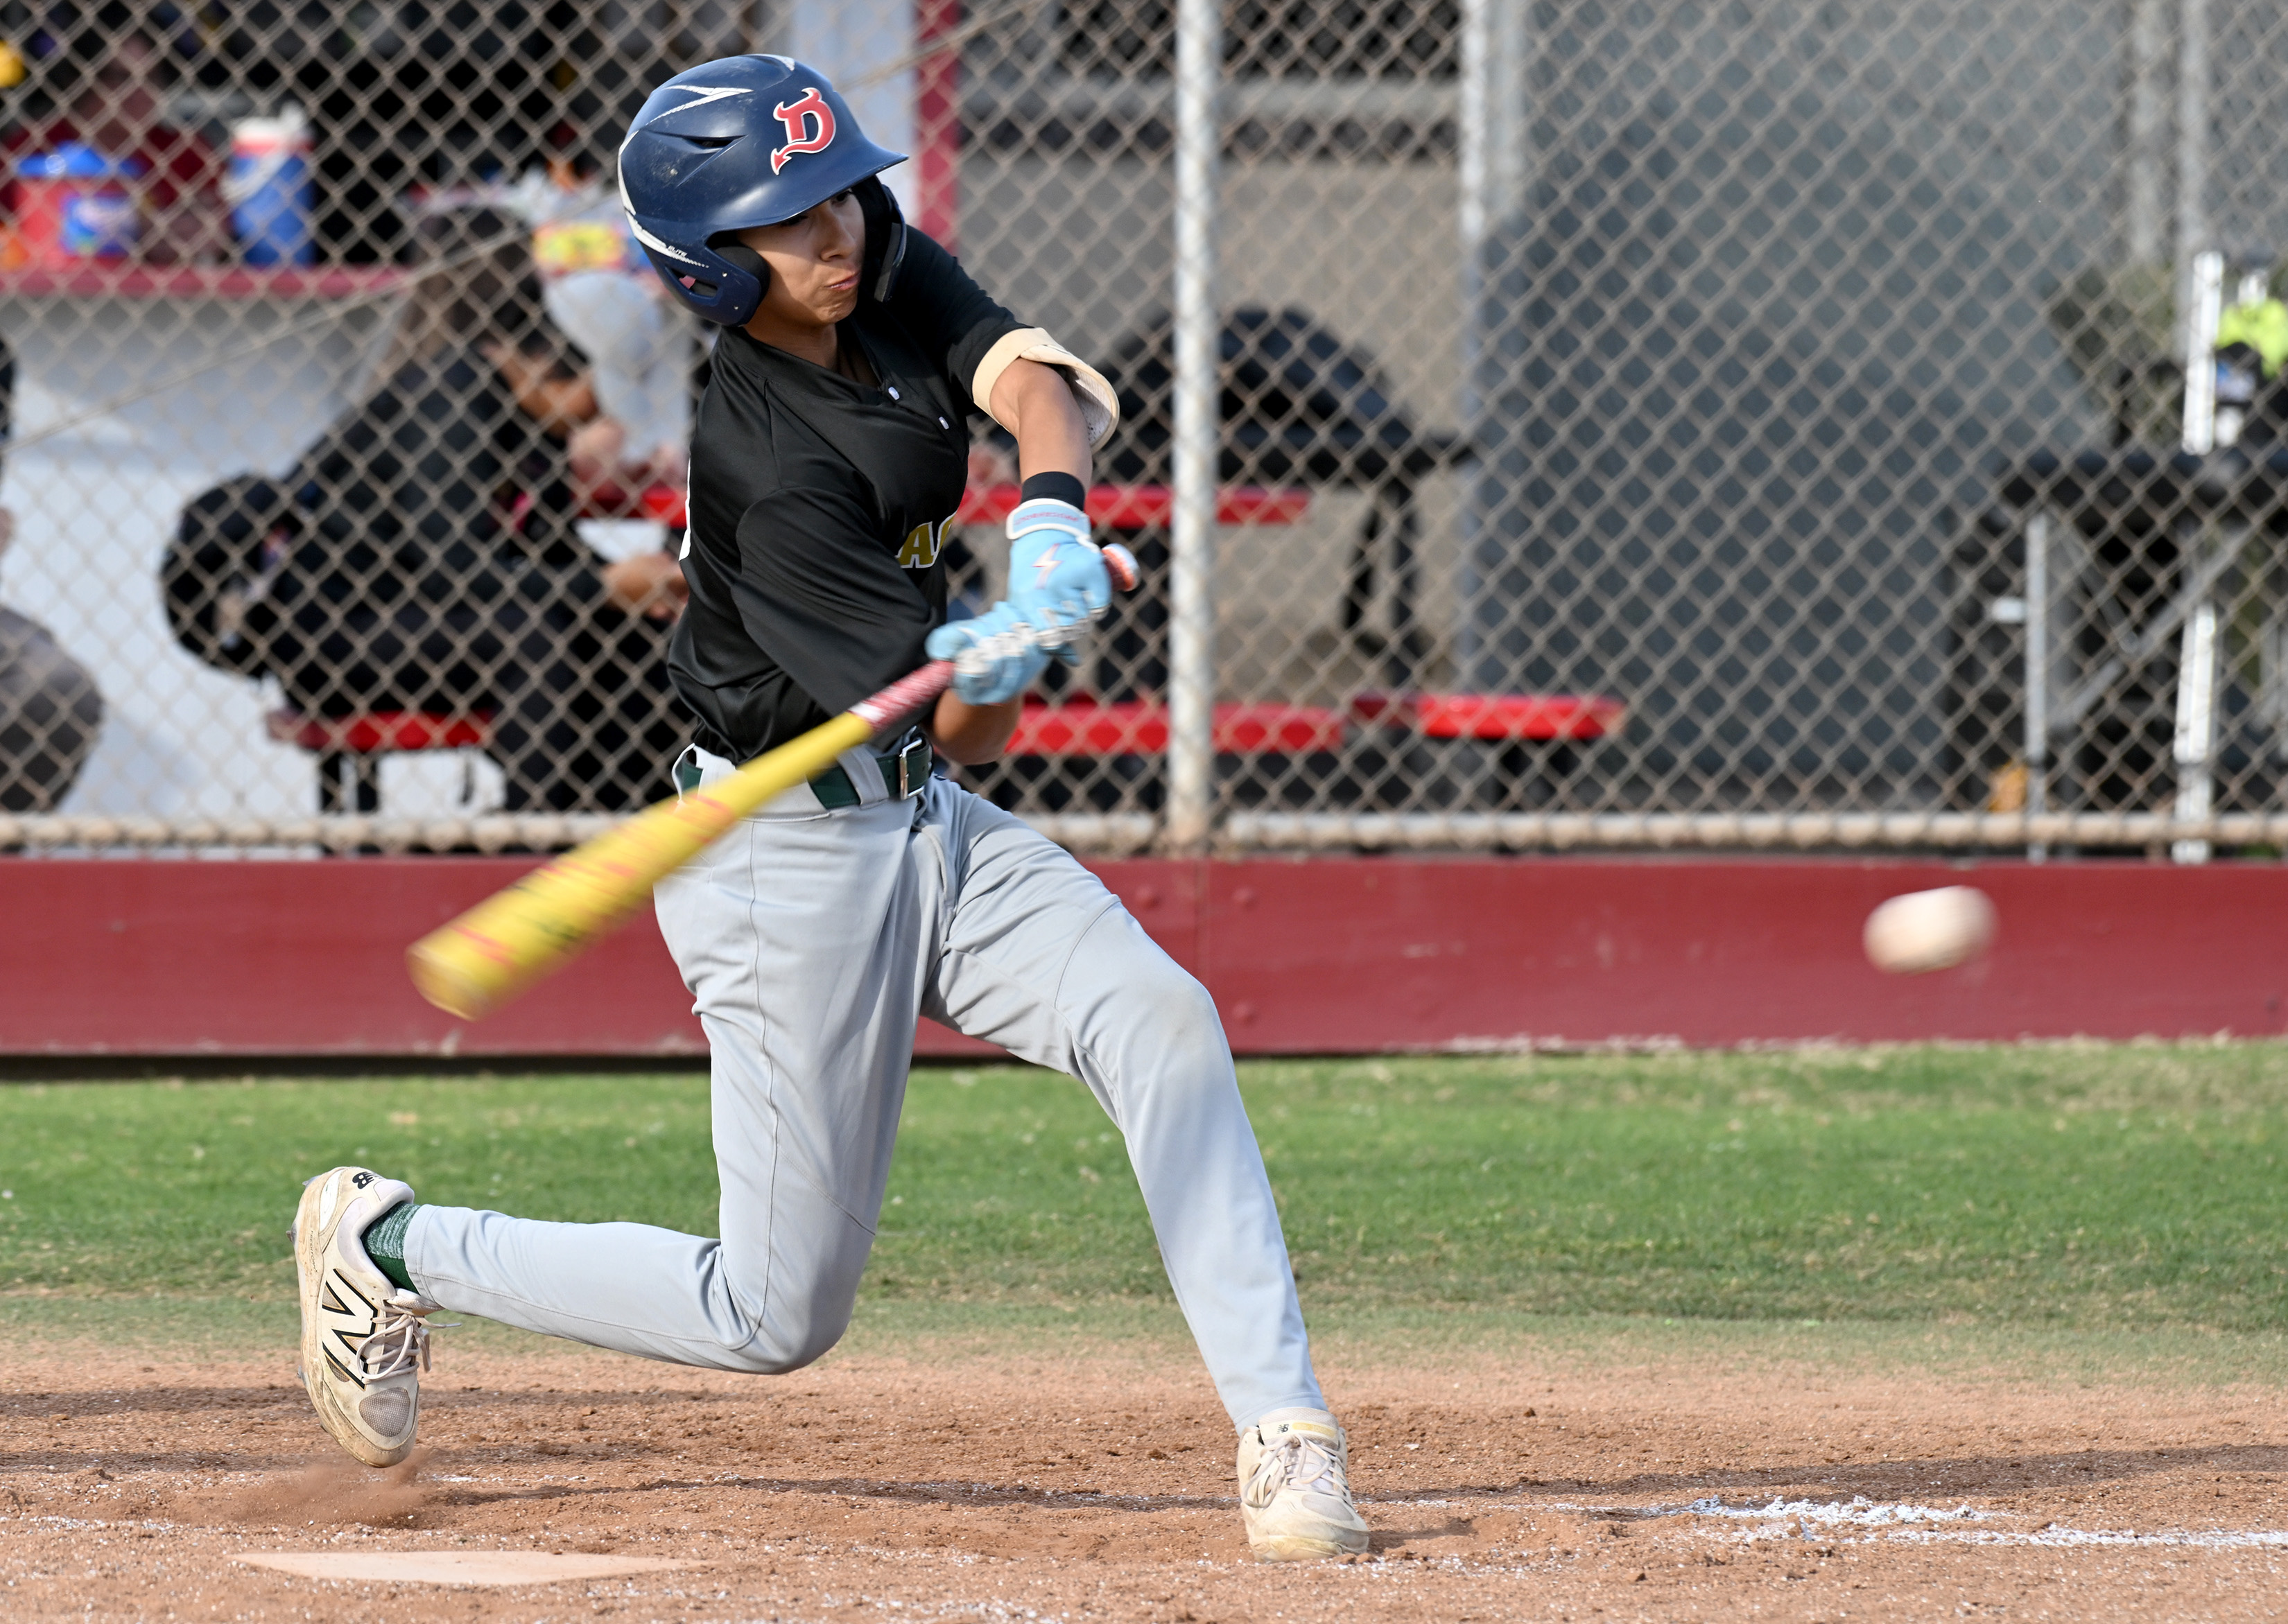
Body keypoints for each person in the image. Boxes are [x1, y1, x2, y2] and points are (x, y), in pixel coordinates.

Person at [286, 56, 1369, 1564]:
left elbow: (1025, 379)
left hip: (923, 823)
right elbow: (977, 723)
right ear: (714, 270)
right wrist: (1016, 639)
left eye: (834, 198)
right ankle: (389, 1245)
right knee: (772, 1313)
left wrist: (1050, 514)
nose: (834, 235)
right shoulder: (768, 465)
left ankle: (1287, 1428)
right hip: (776, 861)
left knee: (1161, 1016)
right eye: (784, 225)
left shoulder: (865, 258)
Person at [165, 217, 688, 812]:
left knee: (638, 639)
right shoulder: (453, 400)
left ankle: (631, 821)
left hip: (426, 622)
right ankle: (537, 835)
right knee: (532, 636)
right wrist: (601, 586)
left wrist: (644, 589)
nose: (596, 420)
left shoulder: (532, 427)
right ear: (549, 362)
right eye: (595, 397)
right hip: (338, 634)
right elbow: (456, 570)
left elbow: (549, 554)